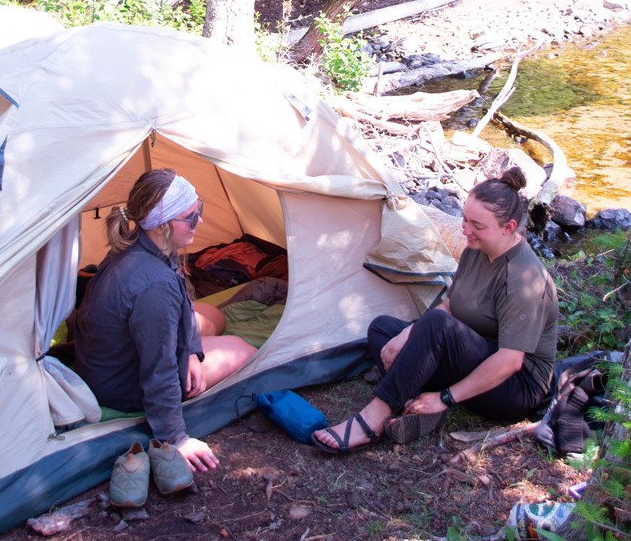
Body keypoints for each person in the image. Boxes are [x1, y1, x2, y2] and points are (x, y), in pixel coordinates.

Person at [312, 166, 558, 453]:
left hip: (514, 386)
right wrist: (407, 335)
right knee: (384, 330)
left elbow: (510, 362)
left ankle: (373, 420)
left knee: (435, 325)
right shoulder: (476, 251)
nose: (466, 230)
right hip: (475, 356)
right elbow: (450, 304)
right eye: (465, 220)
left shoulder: (523, 278)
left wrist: (446, 397)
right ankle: (418, 404)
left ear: (509, 228)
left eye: (477, 226)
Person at [74, 168, 257, 471]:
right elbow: (158, 370)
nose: (200, 220)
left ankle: (195, 347)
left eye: (198, 209)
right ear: (161, 225)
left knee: (213, 316)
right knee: (242, 349)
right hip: (121, 384)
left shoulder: (141, 242)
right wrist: (177, 437)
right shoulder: (154, 287)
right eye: (190, 216)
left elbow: (183, 307)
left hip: (108, 357)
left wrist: (191, 351)